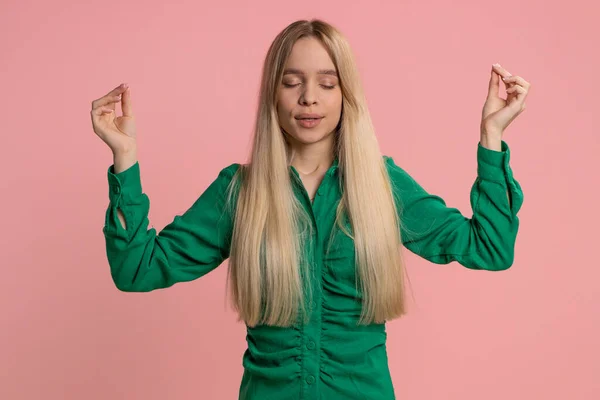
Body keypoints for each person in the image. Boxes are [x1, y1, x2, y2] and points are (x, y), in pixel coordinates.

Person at [90, 18, 529, 400]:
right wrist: (124, 159)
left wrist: (491, 137)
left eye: (327, 82)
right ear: (273, 94)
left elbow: (490, 248)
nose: (309, 98)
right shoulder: (239, 192)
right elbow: (137, 270)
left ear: (346, 94)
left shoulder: (380, 184)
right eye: (291, 81)